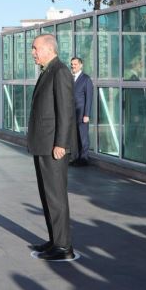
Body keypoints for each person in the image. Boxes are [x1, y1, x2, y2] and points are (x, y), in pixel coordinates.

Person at [27, 34, 78, 261]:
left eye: (35, 48)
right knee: (47, 196)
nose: (33, 52)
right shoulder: (48, 70)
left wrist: (61, 143)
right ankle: (54, 240)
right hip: (43, 144)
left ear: (48, 49)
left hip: (53, 146)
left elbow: (66, 112)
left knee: (56, 197)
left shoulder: (60, 71)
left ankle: (63, 246)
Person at [70, 57, 93, 166]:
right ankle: (76, 158)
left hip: (82, 113)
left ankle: (84, 159)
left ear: (81, 65)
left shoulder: (86, 79)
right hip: (73, 113)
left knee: (83, 137)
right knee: (75, 137)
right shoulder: (71, 78)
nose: (73, 66)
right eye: (72, 64)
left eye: (75, 64)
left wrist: (87, 114)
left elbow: (89, 98)